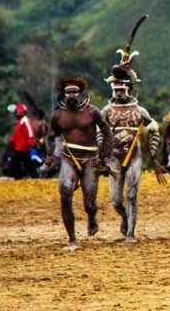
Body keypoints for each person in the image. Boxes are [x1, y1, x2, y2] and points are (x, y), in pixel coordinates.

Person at [100, 26, 161, 243]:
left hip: (134, 157)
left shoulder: (139, 111)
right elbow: (100, 136)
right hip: (115, 158)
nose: (118, 92)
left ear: (129, 88)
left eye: (122, 88)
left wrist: (152, 151)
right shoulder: (106, 112)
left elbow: (154, 130)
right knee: (116, 200)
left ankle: (132, 233)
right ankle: (124, 217)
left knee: (132, 195)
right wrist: (103, 157)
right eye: (115, 89)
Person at [45, 78, 113, 251]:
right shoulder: (58, 116)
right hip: (69, 159)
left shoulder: (92, 112)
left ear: (81, 93)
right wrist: (50, 155)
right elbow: (50, 136)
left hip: (90, 160)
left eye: (75, 92)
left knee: (89, 204)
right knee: (65, 194)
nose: (72, 95)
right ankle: (72, 239)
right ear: (64, 94)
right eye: (68, 92)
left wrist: (105, 158)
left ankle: (92, 217)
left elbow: (107, 133)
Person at [7, 103, 38, 179]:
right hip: (18, 148)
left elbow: (30, 132)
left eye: (17, 111)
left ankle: (34, 177)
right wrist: (11, 141)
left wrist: (30, 142)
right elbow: (16, 135)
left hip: (23, 147)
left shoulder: (25, 121)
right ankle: (20, 177)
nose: (16, 112)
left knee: (25, 164)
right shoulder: (19, 122)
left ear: (22, 112)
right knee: (19, 164)